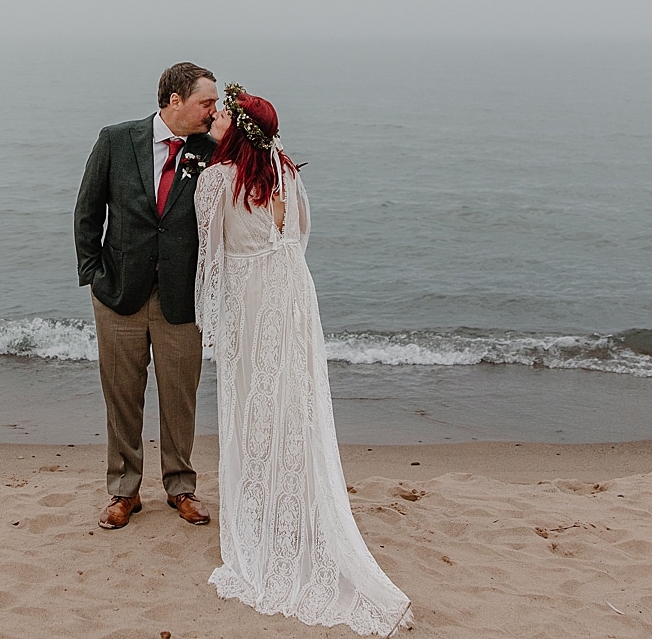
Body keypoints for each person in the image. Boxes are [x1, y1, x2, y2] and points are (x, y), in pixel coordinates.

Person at [194, 85, 413, 636]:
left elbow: (211, 263)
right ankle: (296, 505)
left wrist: (212, 327)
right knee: (294, 401)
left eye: (223, 112)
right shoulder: (286, 171)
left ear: (239, 129)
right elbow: (302, 235)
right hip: (293, 295)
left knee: (251, 403)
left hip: (251, 296)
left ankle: (263, 519)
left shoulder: (215, 182)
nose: (215, 115)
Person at [74, 61, 223, 531]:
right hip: (119, 294)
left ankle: (180, 486)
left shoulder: (212, 150)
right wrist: (94, 276)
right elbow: (87, 210)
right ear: (175, 102)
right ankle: (124, 491)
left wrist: (226, 141)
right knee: (122, 397)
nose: (213, 111)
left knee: (181, 398)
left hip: (183, 300)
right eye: (206, 103)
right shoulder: (116, 141)